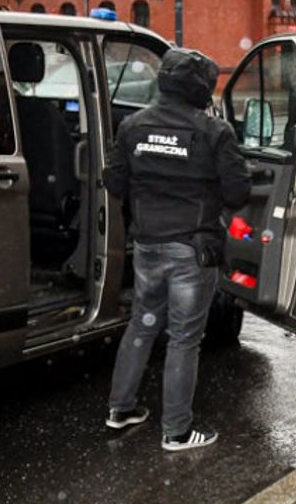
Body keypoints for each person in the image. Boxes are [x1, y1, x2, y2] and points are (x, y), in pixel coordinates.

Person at [103, 49, 250, 451]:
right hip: (192, 248)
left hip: (147, 244)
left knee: (142, 325)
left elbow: (114, 183)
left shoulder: (132, 125)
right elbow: (238, 192)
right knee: (185, 338)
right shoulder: (214, 132)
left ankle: (121, 409)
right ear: (202, 88)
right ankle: (177, 432)